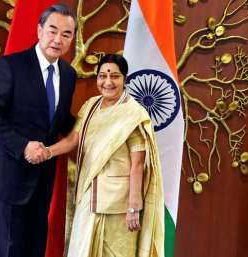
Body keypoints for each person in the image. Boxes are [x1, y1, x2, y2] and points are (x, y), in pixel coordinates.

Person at [0, 4, 77, 257]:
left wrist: (97, 123)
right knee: (8, 251)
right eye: (52, 30)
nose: (58, 39)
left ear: (72, 39)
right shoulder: (10, 66)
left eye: (66, 34)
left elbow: (59, 120)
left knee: (35, 249)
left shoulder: (68, 74)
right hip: (9, 177)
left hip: (43, 179)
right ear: (39, 30)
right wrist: (23, 146)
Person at [43, 54, 165, 257]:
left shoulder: (134, 114)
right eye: (102, 76)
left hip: (118, 204)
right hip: (88, 197)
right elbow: (74, 139)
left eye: (115, 76)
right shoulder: (90, 106)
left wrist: (134, 208)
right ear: (97, 77)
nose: (108, 82)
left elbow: (138, 164)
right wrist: (48, 152)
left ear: (124, 79)